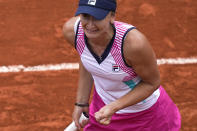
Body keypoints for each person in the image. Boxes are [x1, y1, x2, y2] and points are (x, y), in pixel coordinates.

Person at [63, 0, 181, 130]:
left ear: (112, 16)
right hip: (103, 110)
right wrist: (81, 102)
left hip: (146, 116)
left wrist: (114, 107)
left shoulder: (133, 44)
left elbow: (152, 83)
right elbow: (88, 59)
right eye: (85, 16)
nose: (90, 25)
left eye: (97, 18)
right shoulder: (73, 32)